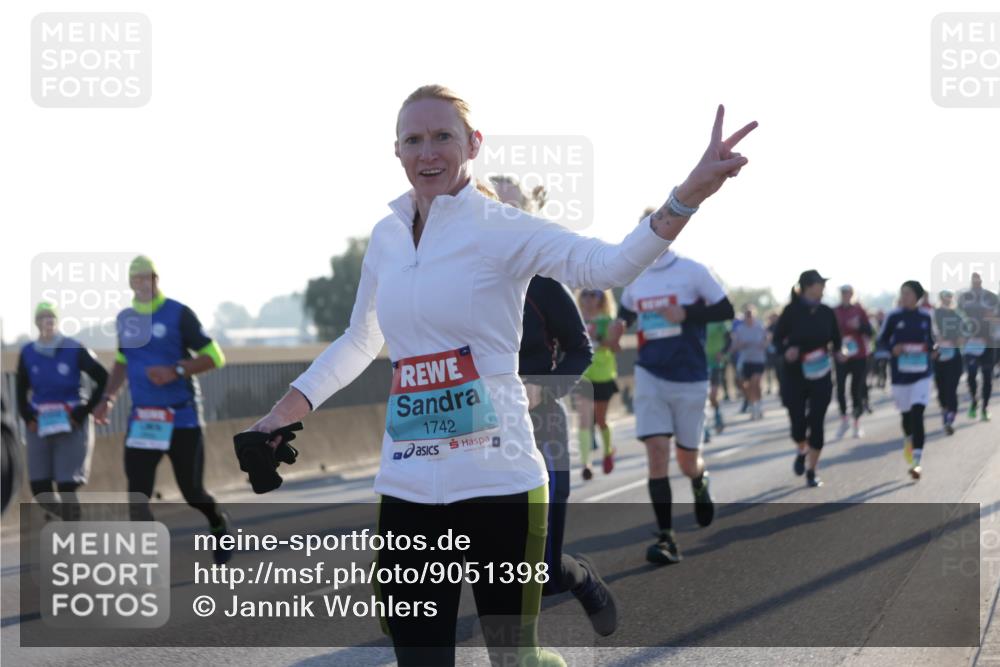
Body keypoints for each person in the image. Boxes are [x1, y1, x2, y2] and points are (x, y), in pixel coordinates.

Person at [244, 85, 755, 666]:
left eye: (444, 137)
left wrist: (687, 196)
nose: (428, 152)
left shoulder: (500, 227)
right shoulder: (387, 237)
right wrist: (279, 415)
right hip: (408, 485)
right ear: (397, 150)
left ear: (472, 145)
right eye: (414, 139)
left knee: (515, 660)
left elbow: (607, 264)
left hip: (499, 482)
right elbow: (361, 339)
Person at [496, 174, 617, 636]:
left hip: (542, 422)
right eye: (496, 209)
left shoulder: (543, 282)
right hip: (486, 427)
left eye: (514, 210)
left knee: (542, 575)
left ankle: (581, 578)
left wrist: (544, 389)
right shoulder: (473, 277)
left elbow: (580, 350)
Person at [93, 256, 232, 563]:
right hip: (143, 420)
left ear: (157, 280)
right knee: (137, 498)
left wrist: (176, 371)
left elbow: (215, 356)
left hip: (181, 419)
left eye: (149, 278)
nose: (144, 283)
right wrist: (107, 398)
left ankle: (218, 522)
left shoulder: (179, 314)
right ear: (131, 283)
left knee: (193, 492)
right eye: (137, 279)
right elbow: (123, 361)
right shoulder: (125, 319)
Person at [617, 249, 735, 564]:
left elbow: (726, 310)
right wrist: (619, 324)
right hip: (650, 373)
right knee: (657, 454)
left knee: (686, 462)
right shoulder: (636, 273)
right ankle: (667, 538)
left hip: (690, 377)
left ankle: (699, 480)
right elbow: (626, 309)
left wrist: (687, 313)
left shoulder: (693, 271)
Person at [15, 302, 108, 520]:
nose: (46, 322)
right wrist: (28, 416)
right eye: (42, 318)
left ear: (57, 322)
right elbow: (20, 390)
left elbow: (103, 378)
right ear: (36, 323)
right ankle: (64, 517)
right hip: (40, 423)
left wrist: (82, 412)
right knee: (40, 489)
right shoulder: (28, 352)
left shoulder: (74, 348)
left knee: (67, 486)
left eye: (51, 318)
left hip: (71, 421)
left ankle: (72, 533)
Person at [773, 270, 841, 488]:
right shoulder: (791, 311)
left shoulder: (827, 312)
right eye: (821, 284)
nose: (823, 288)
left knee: (817, 422)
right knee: (798, 424)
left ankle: (812, 470)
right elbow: (776, 340)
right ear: (809, 287)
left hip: (820, 372)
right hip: (794, 374)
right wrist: (787, 350)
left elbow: (836, 340)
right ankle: (801, 448)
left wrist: (840, 352)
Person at [878, 281, 936, 479]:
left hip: (922, 374)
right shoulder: (893, 316)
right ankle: (909, 441)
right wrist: (892, 348)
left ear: (917, 297)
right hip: (900, 376)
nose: (904, 297)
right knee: (907, 419)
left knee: (918, 413)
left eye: (908, 293)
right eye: (902, 293)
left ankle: (917, 461)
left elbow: (931, 341)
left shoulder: (925, 316)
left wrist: (933, 350)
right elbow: (881, 340)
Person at [575, 288, 622, 480]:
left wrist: (602, 339)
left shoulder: (608, 321)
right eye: (584, 294)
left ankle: (608, 451)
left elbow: (616, 347)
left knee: (601, 419)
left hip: (604, 375)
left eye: (593, 294)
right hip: (583, 375)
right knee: (584, 420)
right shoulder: (575, 319)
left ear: (602, 298)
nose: (588, 298)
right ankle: (586, 464)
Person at [833, 284, 874, 439]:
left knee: (856, 389)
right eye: (843, 293)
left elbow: (870, 332)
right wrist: (836, 350)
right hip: (841, 355)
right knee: (840, 388)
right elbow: (829, 333)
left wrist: (860, 326)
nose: (845, 295)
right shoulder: (835, 311)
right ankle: (844, 419)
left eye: (848, 293)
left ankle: (856, 422)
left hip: (859, 355)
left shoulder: (859, 310)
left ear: (852, 294)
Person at [958, 272, 998, 421]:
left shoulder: (991, 297)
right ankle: (974, 401)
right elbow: (956, 317)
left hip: (989, 343)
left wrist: (991, 317)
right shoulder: (963, 297)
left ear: (982, 280)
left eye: (978, 278)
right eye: (973, 279)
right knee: (971, 374)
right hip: (971, 343)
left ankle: (985, 407)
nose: (976, 281)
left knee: (987, 376)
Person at [933, 290, 964, 435]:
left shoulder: (957, 315)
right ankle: (945, 412)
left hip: (954, 357)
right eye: (944, 297)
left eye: (949, 297)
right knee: (941, 390)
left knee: (951, 388)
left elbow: (965, 333)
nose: (947, 299)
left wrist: (959, 339)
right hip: (939, 357)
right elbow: (929, 334)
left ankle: (950, 419)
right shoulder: (934, 314)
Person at [729, 304, 768, 420]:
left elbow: (768, 339)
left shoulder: (760, 326)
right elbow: (734, 346)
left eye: (750, 315)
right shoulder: (740, 329)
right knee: (749, 386)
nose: (749, 317)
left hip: (758, 360)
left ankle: (758, 406)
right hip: (746, 360)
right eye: (747, 315)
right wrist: (739, 345)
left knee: (756, 382)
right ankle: (753, 405)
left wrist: (764, 344)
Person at [705, 320, 730, 434]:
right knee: (702, 396)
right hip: (699, 363)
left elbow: (729, 340)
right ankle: (704, 429)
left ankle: (717, 413)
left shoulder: (718, 321)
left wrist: (722, 352)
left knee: (713, 394)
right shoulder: (693, 320)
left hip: (715, 362)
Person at [764, 311, 782, 396]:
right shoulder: (768, 328)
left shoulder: (780, 327)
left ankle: (780, 388)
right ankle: (769, 387)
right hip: (769, 353)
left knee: (779, 372)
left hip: (778, 353)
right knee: (770, 371)